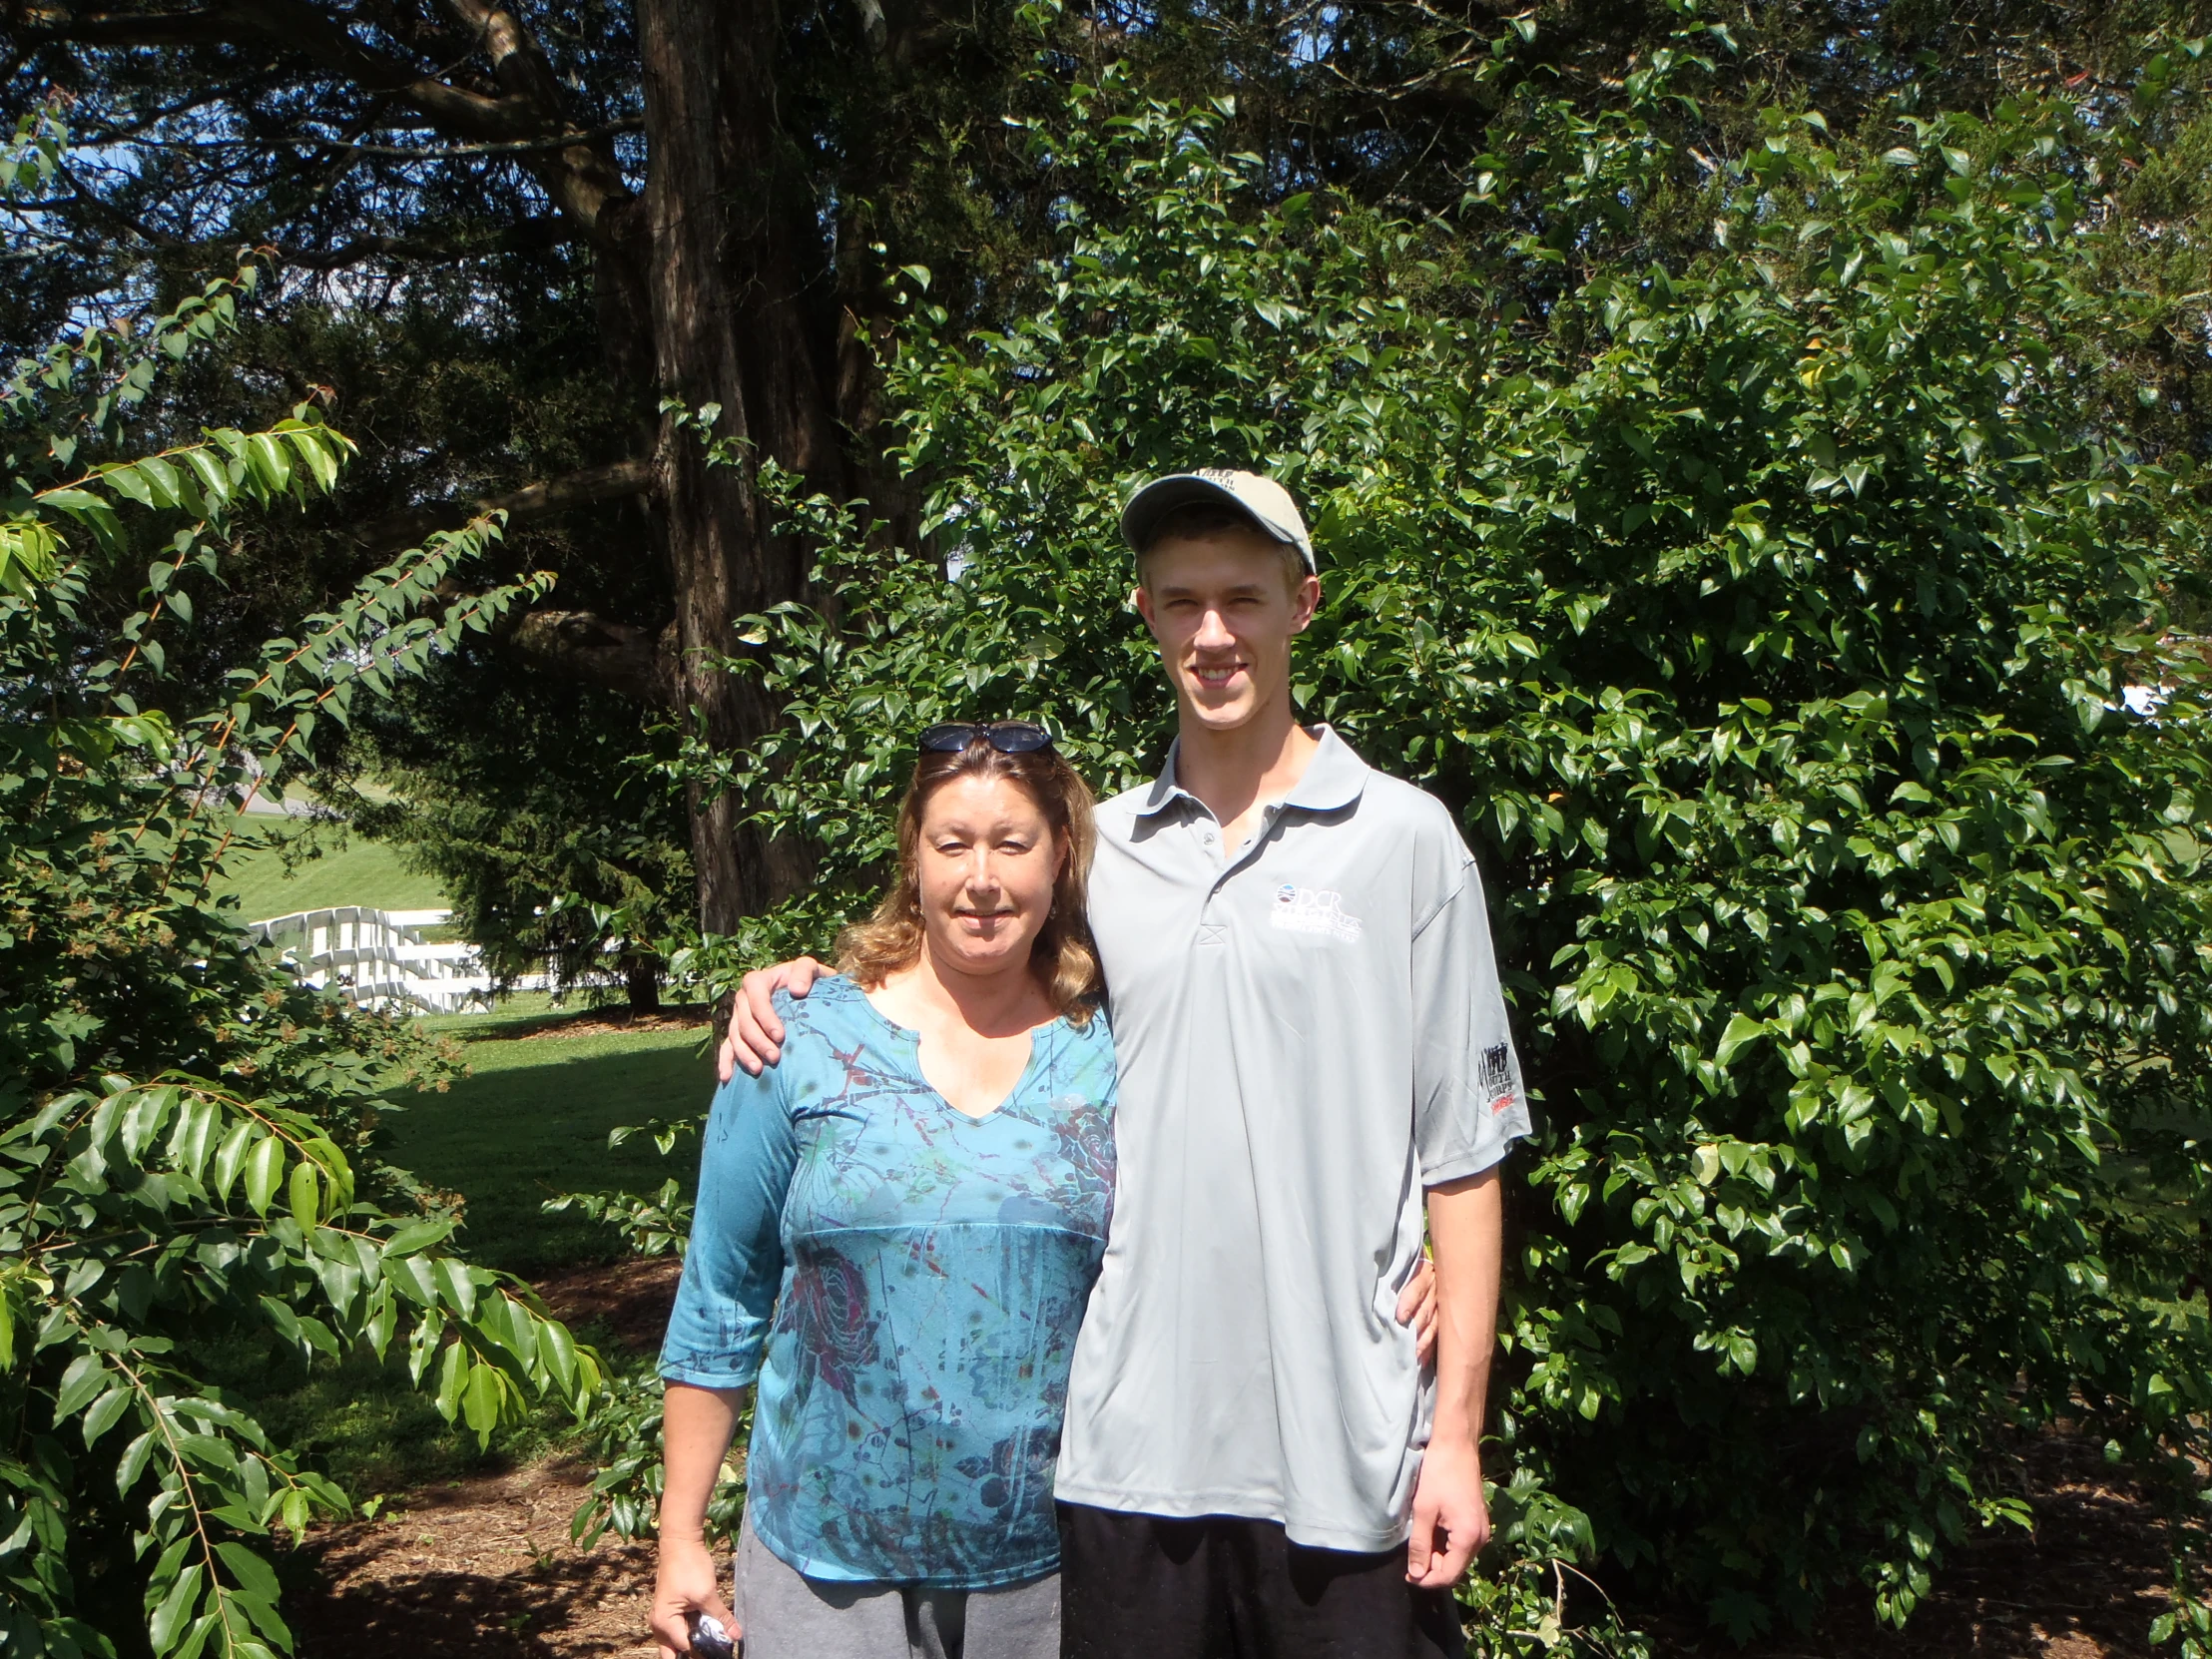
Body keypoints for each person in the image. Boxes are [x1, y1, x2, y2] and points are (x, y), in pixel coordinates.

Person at [725, 468, 1530, 1659]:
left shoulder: (1405, 843)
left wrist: (1454, 1437)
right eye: (1181, 601)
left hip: (1351, 1450)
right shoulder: (1102, 859)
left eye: (1242, 599)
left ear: (1300, 605)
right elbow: (963, 959)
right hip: (1125, 1457)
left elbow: (1463, 1157)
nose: (1213, 634)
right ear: (1145, 615)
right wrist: (801, 993)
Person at [651, 714, 1443, 1658]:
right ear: (914, 854)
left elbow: (1240, 1162)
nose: (981, 879)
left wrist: (1393, 1246)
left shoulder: (1111, 1048)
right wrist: (679, 1532)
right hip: (820, 1566)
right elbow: (721, 1296)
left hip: (1040, 1575)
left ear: (1060, 856)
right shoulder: (799, 1039)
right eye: (953, 844)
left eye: (1011, 844)